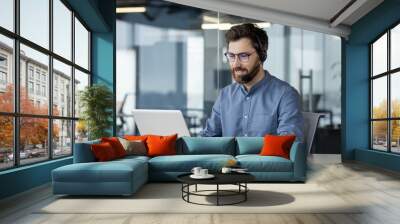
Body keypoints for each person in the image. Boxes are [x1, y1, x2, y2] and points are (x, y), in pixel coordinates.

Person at [201, 23, 304, 141]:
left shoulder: (285, 95)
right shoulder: (225, 95)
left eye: (243, 56)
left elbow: (288, 143)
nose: (236, 64)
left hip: (265, 160)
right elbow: (208, 138)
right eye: (231, 56)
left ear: (261, 56)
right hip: (229, 160)